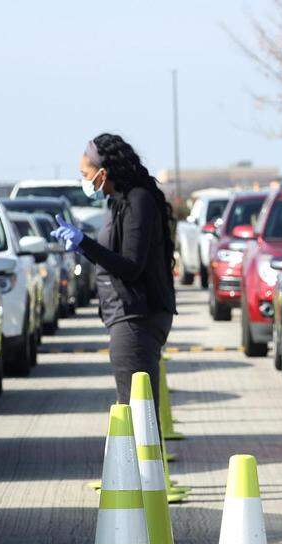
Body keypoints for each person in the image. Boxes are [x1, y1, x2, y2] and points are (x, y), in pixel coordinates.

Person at [52, 133, 177, 404]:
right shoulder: (118, 202)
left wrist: (84, 243)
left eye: (86, 173)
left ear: (103, 172)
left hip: (136, 317)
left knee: (136, 410)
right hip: (123, 316)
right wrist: (84, 245)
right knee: (133, 406)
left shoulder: (138, 201)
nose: (83, 180)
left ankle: (142, 450)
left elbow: (131, 267)